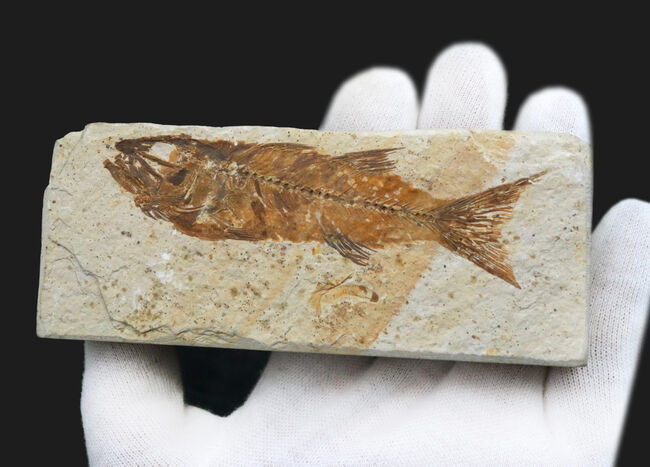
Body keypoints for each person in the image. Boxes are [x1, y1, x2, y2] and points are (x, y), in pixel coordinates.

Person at [80, 43, 650, 465]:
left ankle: (451, 221)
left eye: (170, 170)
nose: (146, 172)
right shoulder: (186, 193)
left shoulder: (204, 183)